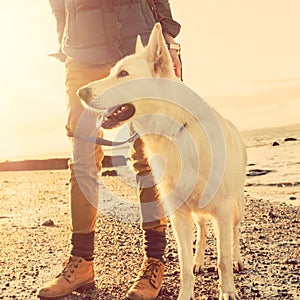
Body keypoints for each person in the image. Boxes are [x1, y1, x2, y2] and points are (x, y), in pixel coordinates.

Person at [38, 1, 181, 299]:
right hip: (82, 51)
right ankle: (82, 262)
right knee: (82, 155)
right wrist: (65, 38)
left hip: (137, 46)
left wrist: (169, 43)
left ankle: (154, 261)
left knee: (149, 155)